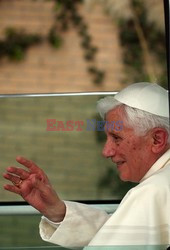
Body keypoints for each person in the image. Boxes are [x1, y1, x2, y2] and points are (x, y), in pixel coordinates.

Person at [3, 82, 170, 249]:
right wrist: (56, 210)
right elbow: (119, 232)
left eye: (116, 138)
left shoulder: (152, 192)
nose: (106, 151)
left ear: (157, 139)